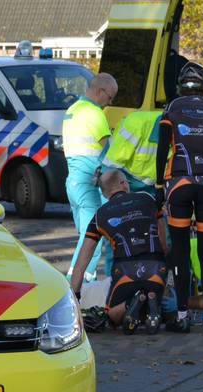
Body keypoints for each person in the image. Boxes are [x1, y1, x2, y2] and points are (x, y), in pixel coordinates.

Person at [156, 62, 203, 335]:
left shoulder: (172, 109)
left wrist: (158, 185)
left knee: (181, 251)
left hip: (180, 184)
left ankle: (183, 315)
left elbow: (163, 150)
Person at [69, 170, 168, 335]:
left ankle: (131, 303)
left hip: (125, 271)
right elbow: (163, 243)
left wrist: (75, 297)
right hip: (155, 267)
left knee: (112, 317)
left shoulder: (99, 215)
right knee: (161, 303)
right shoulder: (147, 199)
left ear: (105, 193)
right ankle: (151, 299)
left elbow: (82, 261)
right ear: (124, 184)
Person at [63, 73, 118, 283]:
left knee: (83, 237)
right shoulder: (94, 114)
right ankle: (76, 286)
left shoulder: (72, 110)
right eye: (110, 97)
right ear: (100, 91)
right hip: (88, 185)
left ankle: (81, 284)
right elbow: (109, 154)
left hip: (74, 184)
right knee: (92, 241)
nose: (109, 103)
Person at [103, 110, 163, 194]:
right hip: (117, 175)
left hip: (148, 187)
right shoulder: (136, 124)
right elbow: (110, 168)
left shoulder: (180, 135)